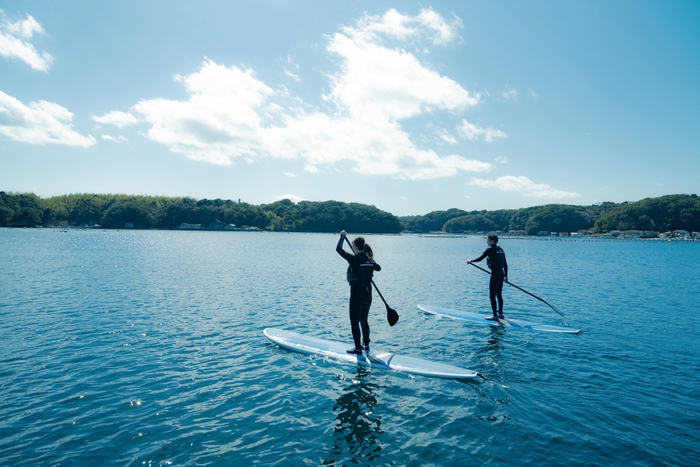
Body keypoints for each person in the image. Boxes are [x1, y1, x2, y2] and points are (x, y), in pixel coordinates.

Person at [336, 230, 381, 354]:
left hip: (356, 295)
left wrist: (341, 237)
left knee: (354, 322)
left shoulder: (354, 259)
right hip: (368, 295)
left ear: (354, 247)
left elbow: (339, 250)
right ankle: (366, 345)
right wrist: (370, 260)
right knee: (364, 320)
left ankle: (357, 348)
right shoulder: (369, 260)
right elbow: (378, 268)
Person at [467, 233, 508, 321]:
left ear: (493, 241)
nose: (486, 241)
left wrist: (471, 261)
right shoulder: (500, 250)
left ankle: (494, 315)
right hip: (501, 273)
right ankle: (500, 313)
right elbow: (505, 264)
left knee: (492, 295)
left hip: (495, 273)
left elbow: (480, 258)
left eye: (488, 240)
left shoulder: (490, 250)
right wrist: (505, 276)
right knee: (499, 294)